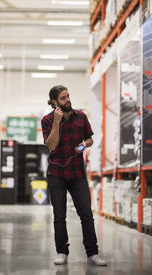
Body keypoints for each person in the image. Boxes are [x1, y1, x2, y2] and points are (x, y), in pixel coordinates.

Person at [41, 85, 107, 266]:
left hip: (77, 173)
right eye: (63, 98)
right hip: (56, 174)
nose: (68, 99)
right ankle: (62, 252)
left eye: (68, 96)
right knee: (59, 215)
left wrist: (81, 146)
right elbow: (52, 145)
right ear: (55, 102)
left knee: (86, 214)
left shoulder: (81, 117)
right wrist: (56, 122)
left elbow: (90, 139)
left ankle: (93, 254)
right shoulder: (47, 120)